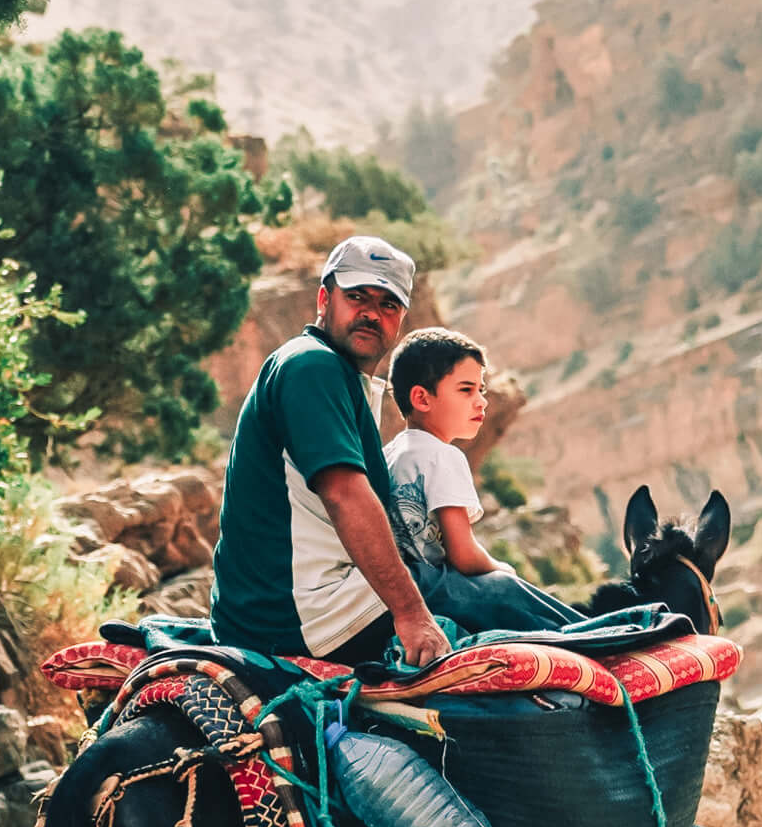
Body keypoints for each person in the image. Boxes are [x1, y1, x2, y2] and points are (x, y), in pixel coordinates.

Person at [209, 235, 449, 671]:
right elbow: (343, 493)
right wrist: (411, 615)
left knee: (454, 576)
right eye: (357, 297)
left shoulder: (336, 375)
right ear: (325, 298)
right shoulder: (311, 366)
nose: (372, 313)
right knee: (468, 591)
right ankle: (606, 642)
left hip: (298, 602)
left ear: (400, 320)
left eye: (388, 305)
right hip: (294, 616)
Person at [385, 327, 574, 637]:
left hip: (401, 592)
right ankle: (612, 636)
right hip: (442, 592)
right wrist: (502, 569)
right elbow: (463, 554)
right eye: (466, 390)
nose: (481, 402)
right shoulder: (443, 456)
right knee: (514, 592)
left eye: (481, 389)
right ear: (421, 398)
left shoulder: (390, 455)